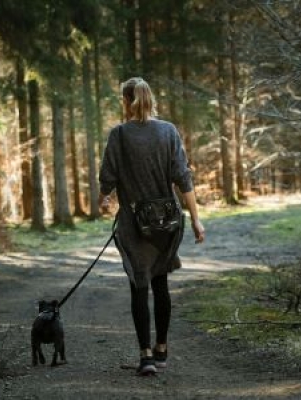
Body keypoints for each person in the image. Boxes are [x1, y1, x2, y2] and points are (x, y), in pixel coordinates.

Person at [98, 77, 205, 376]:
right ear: (149, 98)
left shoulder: (119, 135)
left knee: (138, 285)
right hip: (168, 221)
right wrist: (196, 218)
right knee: (161, 284)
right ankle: (162, 348)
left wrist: (103, 200)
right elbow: (183, 177)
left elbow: (107, 177)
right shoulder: (168, 131)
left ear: (125, 101)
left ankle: (145, 356)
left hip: (134, 223)